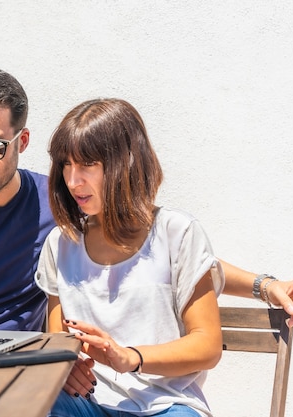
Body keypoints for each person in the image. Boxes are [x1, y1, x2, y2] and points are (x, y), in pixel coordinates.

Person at [0, 68, 293, 333]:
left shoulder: (61, 203)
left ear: (21, 141)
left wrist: (267, 285)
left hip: (24, 365)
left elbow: (165, 249)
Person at [36, 97, 223, 416]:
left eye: (87, 165)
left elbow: (207, 345)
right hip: (88, 403)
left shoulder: (178, 233)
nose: (72, 180)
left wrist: (129, 357)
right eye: (66, 164)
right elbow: (58, 339)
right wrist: (66, 362)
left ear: (126, 163)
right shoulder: (60, 244)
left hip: (166, 404)